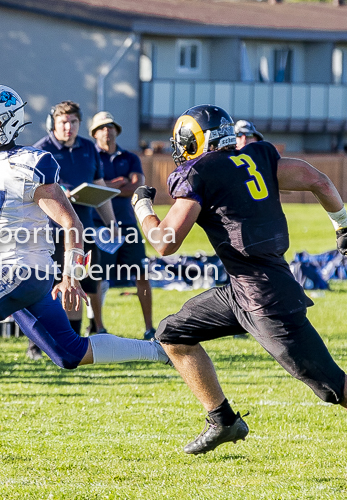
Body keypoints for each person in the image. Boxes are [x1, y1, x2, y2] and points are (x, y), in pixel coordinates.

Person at [0, 84, 170, 446]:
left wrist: (71, 275)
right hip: (8, 272)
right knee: (69, 354)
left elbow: (72, 224)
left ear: (8, 123)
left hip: (23, 269)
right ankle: (163, 350)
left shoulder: (29, 163)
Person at [132, 104, 347, 454]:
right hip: (243, 289)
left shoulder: (200, 172)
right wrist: (342, 223)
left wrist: (142, 208)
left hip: (265, 299)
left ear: (193, 140)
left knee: (334, 387)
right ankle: (223, 420)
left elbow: (165, 242)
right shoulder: (259, 155)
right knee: (172, 334)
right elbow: (317, 180)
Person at [27, 101, 117, 360]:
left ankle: (73, 342)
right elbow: (30, 195)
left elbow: (99, 186)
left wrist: (110, 222)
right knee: (46, 289)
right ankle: (36, 345)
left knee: (80, 285)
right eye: (63, 122)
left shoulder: (89, 148)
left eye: (73, 122)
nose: (68, 127)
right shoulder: (40, 151)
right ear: (52, 124)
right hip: (49, 233)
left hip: (83, 231)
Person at [89, 111, 155, 340]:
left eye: (111, 126)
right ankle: (99, 327)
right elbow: (91, 188)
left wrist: (107, 186)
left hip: (127, 224)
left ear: (116, 130)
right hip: (99, 225)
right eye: (102, 127)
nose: (107, 131)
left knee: (141, 273)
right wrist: (119, 184)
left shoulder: (130, 157)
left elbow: (136, 187)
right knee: (96, 276)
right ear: (95, 133)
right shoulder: (90, 155)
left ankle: (149, 327)